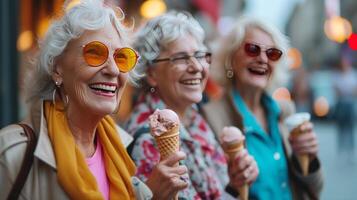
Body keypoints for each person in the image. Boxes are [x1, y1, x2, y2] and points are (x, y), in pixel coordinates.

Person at [0, 1, 188, 199]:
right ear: (57, 68)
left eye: (121, 57)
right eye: (95, 53)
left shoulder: (119, 153)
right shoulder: (12, 153)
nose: (113, 70)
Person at [125, 11, 259, 199]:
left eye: (199, 55)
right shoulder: (149, 138)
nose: (196, 66)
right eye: (180, 58)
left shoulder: (196, 119)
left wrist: (235, 183)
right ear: (152, 74)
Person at [202, 17, 323, 200]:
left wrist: (308, 159)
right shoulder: (210, 116)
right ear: (231, 58)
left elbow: (316, 189)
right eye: (252, 49)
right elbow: (210, 192)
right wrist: (233, 185)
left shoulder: (284, 111)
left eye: (272, 53)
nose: (262, 59)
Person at [333, 54, 357, 157]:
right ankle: (341, 147)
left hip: (350, 102)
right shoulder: (337, 75)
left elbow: (354, 90)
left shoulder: (352, 74)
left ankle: (350, 148)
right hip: (341, 103)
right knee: (341, 126)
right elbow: (336, 90)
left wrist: (346, 91)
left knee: (350, 126)